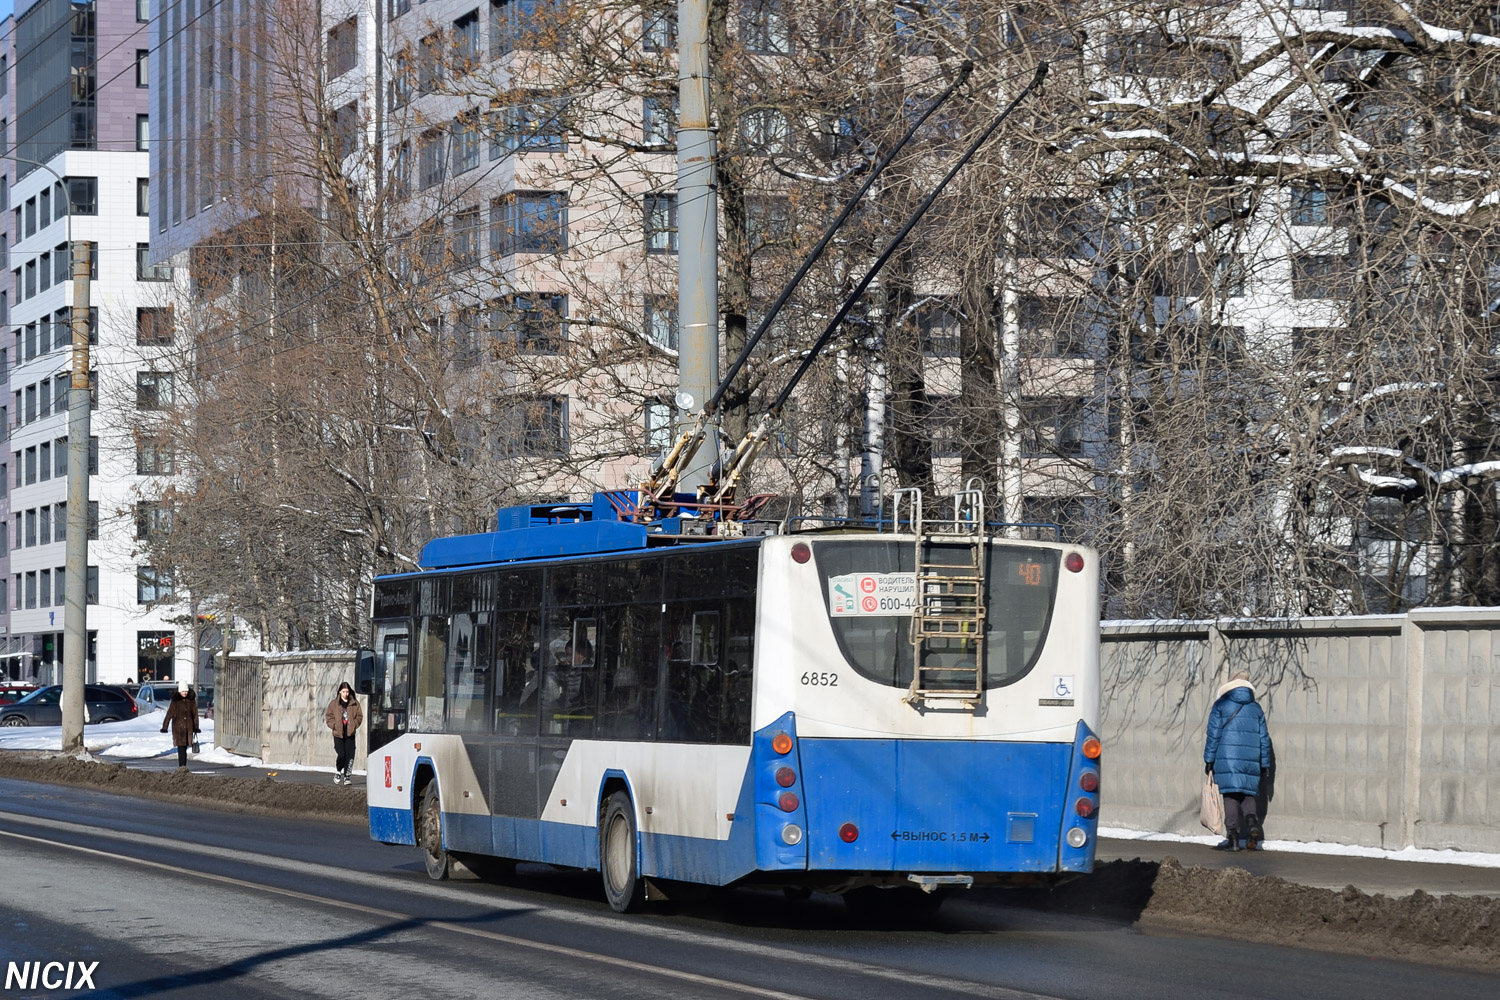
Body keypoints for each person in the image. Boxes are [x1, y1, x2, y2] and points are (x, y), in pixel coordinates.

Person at [1204, 669, 1272, 851]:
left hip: (1227, 758)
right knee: (1248, 792)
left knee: (1231, 795)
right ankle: (1251, 823)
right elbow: (1264, 738)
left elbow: (1213, 734)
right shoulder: (1256, 708)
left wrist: (1209, 759)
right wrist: (1265, 763)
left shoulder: (1221, 705)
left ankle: (1233, 839)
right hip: (1252, 758)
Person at [324, 680, 364, 786]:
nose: (345, 694)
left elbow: (359, 716)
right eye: (343, 692)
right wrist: (334, 726)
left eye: (347, 692)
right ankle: (338, 771)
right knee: (342, 755)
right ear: (339, 692)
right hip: (338, 734)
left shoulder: (354, 704)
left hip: (350, 733)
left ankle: (347, 776)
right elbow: (329, 717)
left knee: (350, 756)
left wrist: (355, 724)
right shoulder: (334, 704)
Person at [160, 681, 201, 771]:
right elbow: (169, 714)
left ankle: (183, 767)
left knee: (185, 747)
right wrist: (164, 727)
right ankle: (182, 767)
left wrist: (196, 727)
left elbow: (195, 714)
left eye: (186, 691)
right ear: (179, 691)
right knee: (181, 748)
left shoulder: (191, 700)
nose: (184, 693)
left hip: (188, 728)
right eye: (183, 691)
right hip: (178, 728)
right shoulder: (175, 701)